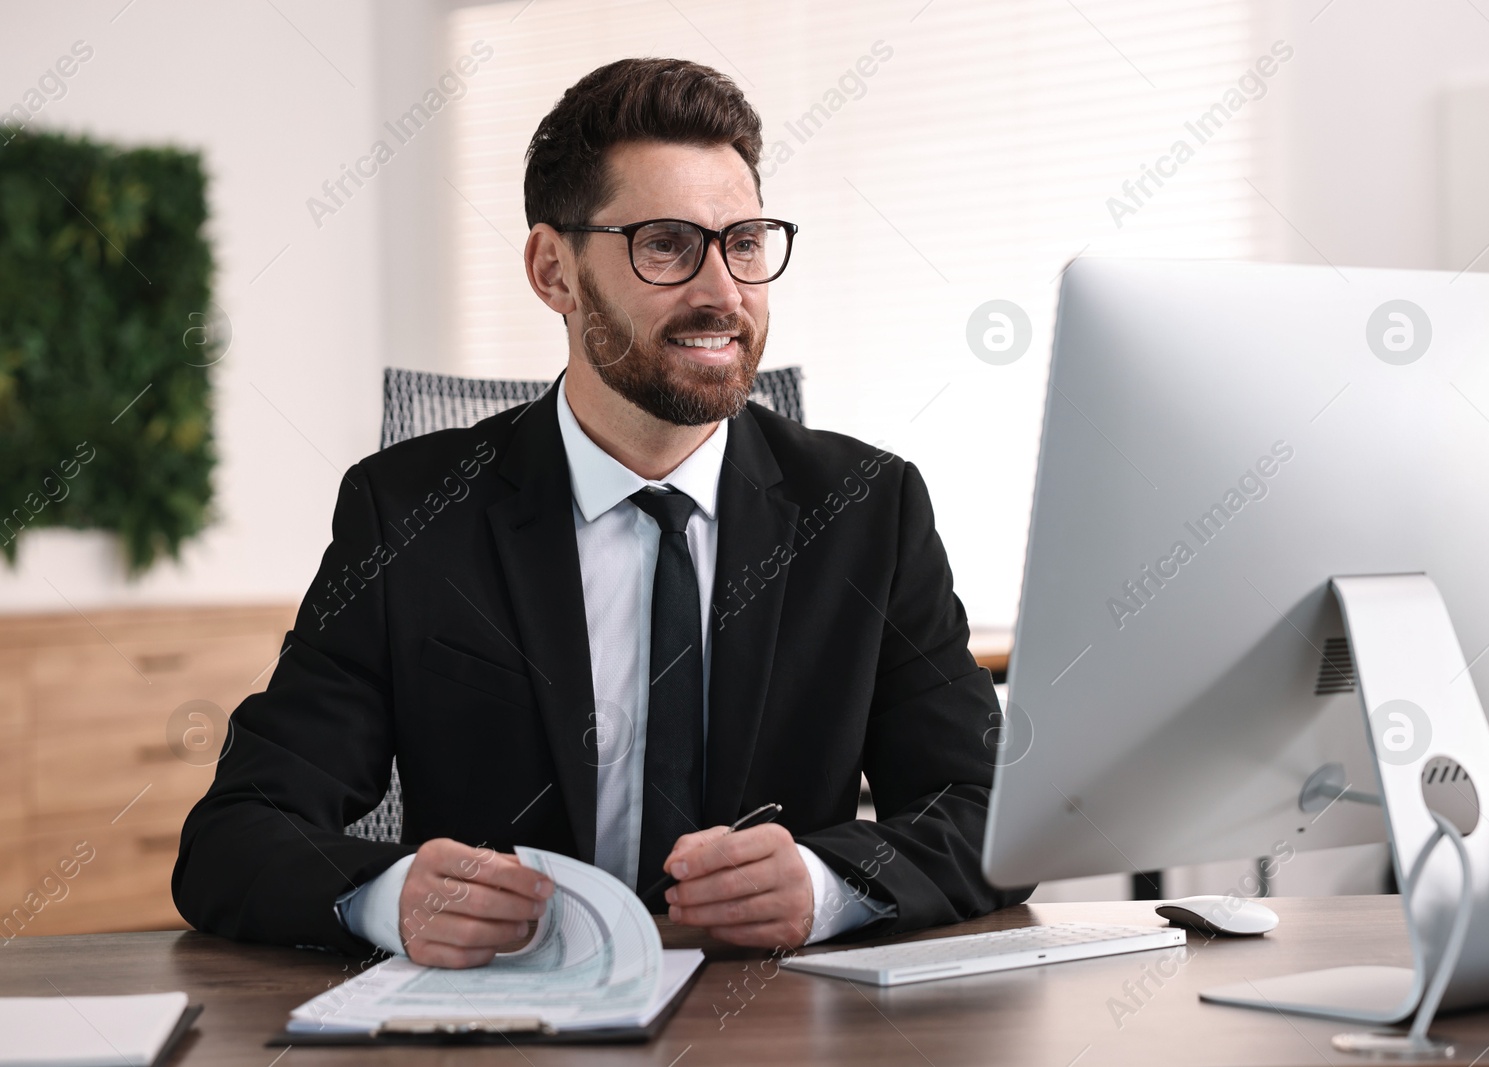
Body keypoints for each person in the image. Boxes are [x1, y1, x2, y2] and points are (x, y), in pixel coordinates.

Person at [173, 57, 1030, 968]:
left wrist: (826, 886)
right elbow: (235, 833)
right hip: (511, 1015)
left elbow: (987, 811)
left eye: (743, 241)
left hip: (772, 1018)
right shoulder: (408, 514)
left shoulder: (869, 511)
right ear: (554, 270)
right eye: (666, 244)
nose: (723, 292)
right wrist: (388, 897)